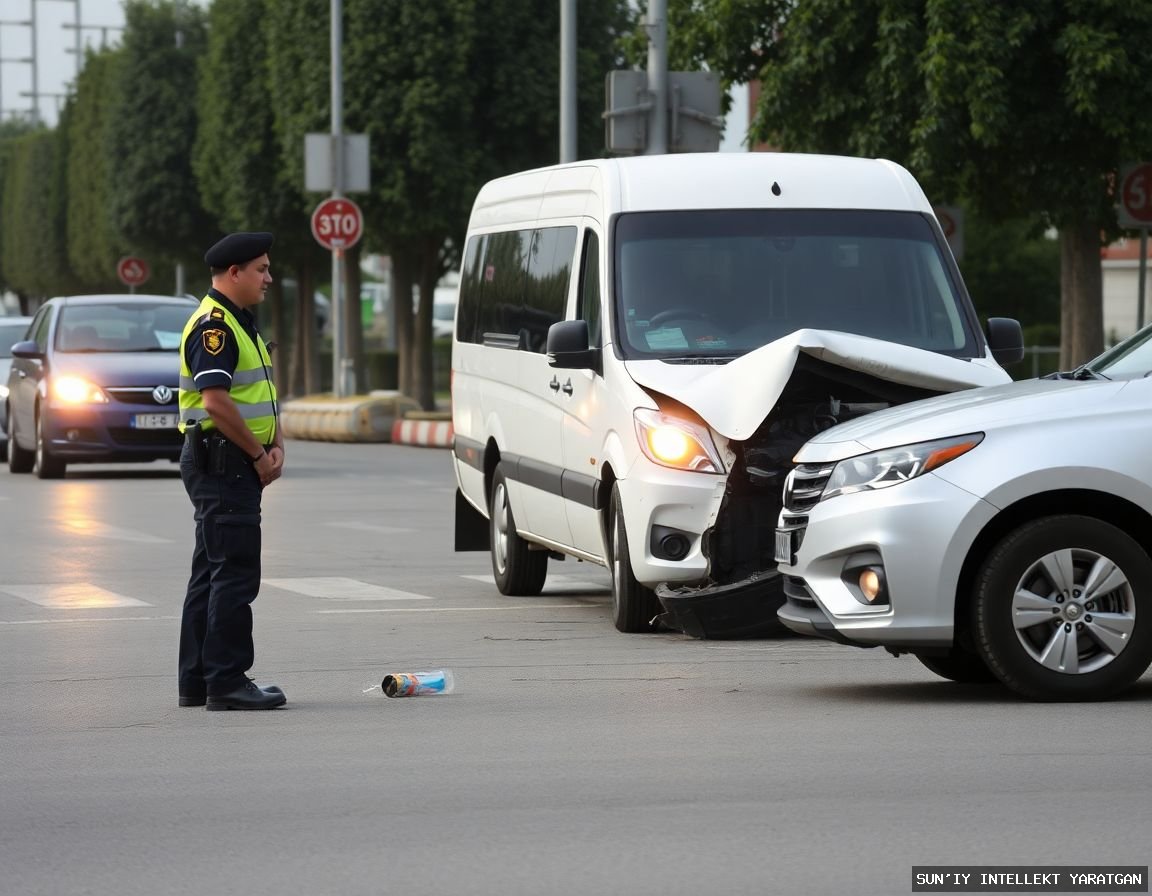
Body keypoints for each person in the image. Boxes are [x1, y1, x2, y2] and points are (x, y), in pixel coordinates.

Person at [176, 231, 286, 710]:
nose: (269, 277)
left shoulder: (240, 322)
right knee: (235, 575)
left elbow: (251, 394)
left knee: (212, 571)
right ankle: (226, 680)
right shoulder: (214, 326)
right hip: (226, 463)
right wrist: (259, 456)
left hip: (226, 461)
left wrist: (275, 440)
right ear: (234, 273)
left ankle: (197, 682)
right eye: (260, 269)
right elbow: (216, 401)